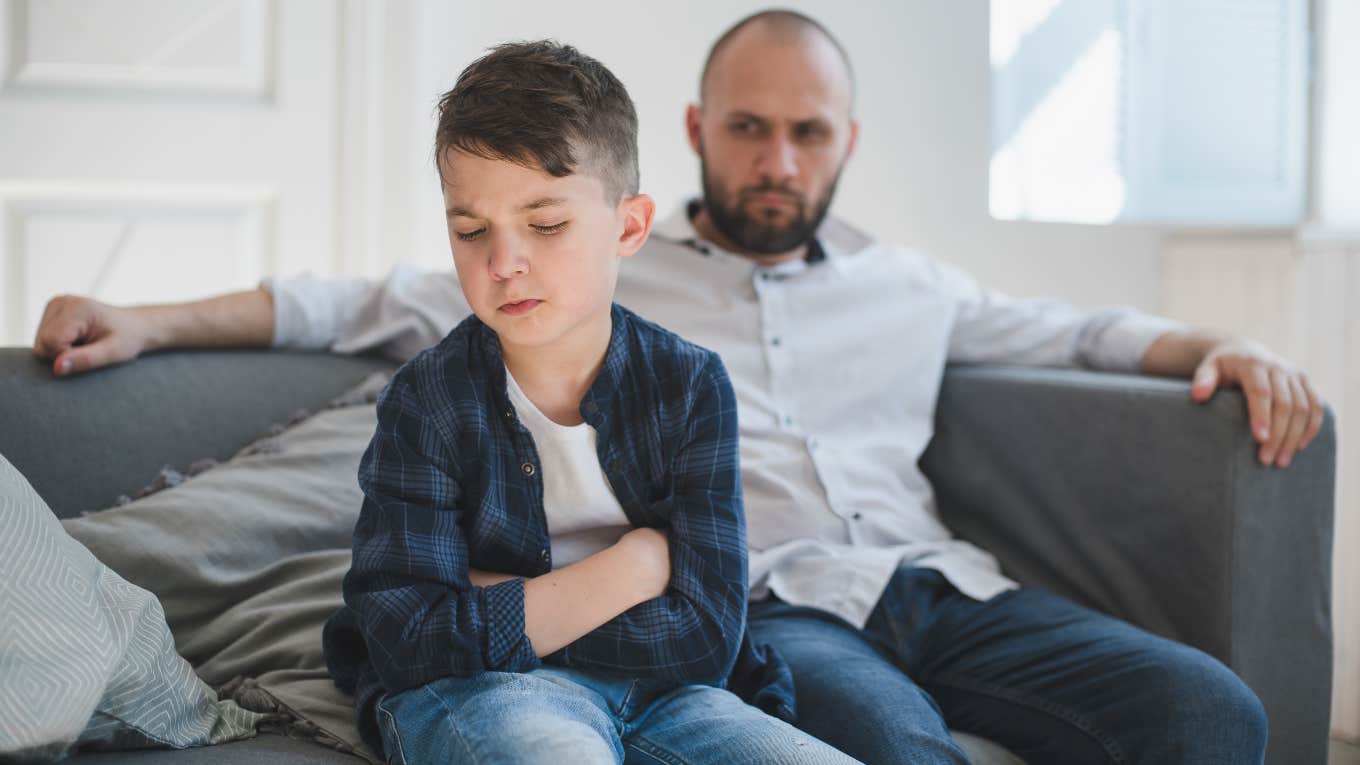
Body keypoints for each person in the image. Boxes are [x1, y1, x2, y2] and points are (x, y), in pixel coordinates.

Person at [32, 10, 1324, 765]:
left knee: (1210, 707)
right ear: (700, 132)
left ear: (843, 147)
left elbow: (1079, 328)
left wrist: (1219, 343)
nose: (776, 156)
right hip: (783, 606)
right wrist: (146, 318)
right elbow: (337, 306)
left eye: (806, 131)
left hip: (936, 583)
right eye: (749, 125)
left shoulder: (899, 287)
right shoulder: (545, 282)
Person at [316, 39, 856, 765]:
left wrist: (500, 598)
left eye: (544, 225)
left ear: (629, 227)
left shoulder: (691, 386)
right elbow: (409, 634)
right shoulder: (427, 399)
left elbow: (704, 634)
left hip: (671, 692)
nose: (503, 262)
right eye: (470, 229)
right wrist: (630, 572)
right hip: (490, 685)